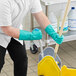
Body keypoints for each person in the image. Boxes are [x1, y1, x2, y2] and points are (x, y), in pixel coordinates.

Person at [0, 0, 64, 76]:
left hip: (15, 30)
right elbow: (6, 29)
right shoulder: (3, 2)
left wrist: (52, 32)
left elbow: (39, 14)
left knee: (21, 60)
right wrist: (30, 36)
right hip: (2, 33)